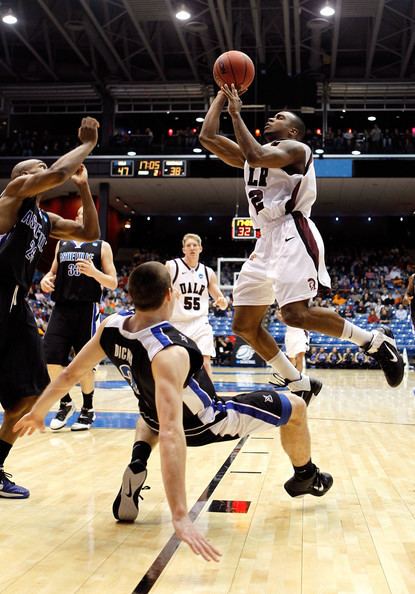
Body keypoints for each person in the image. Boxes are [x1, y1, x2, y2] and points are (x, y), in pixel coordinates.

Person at [14, 262, 333, 562]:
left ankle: (138, 461)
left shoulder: (111, 327)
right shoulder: (169, 351)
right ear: (171, 294)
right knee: (298, 407)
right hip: (208, 422)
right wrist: (180, 514)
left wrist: (39, 412)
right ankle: (305, 476)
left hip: (151, 413)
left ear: (130, 295)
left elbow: (70, 374)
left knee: (148, 413)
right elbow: (171, 432)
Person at [199, 86, 404, 391]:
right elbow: (207, 138)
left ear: (293, 130)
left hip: (292, 231)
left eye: (278, 117)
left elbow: (255, 154)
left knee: (294, 314)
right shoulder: (251, 154)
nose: (271, 119)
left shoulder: (297, 150)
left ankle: (374, 341)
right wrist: (221, 93)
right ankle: (297, 380)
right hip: (265, 240)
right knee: (243, 325)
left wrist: (236, 113)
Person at [0, 116, 100, 498]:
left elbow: (90, 233)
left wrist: (85, 189)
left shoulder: (45, 218)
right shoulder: (14, 194)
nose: (43, 170)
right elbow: (57, 171)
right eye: (35, 168)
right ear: (23, 175)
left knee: (27, 398)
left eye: (43, 167)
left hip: (15, 306)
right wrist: (87, 144)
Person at [40, 187, 118, 431]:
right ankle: (65, 403)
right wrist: (45, 280)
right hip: (61, 308)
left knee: (83, 364)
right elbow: (51, 273)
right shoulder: (62, 244)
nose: (86, 218)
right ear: (76, 219)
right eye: (83, 214)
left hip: (87, 309)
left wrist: (95, 273)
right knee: (50, 359)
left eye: (91, 214)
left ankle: (88, 407)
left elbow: (113, 282)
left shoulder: (101, 246)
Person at [166, 233, 228, 379]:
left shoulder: (208, 272)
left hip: (200, 322)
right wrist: (168, 288)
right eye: (188, 245)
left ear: (200, 248)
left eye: (195, 245)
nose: (192, 248)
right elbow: (160, 283)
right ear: (183, 249)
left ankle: (211, 398)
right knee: (178, 364)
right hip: (177, 323)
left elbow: (220, 298)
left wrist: (222, 302)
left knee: (205, 362)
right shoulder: (172, 266)